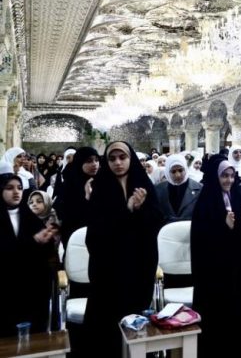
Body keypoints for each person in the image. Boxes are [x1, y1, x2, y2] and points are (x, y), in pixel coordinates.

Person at [84, 141, 163, 355]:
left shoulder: (144, 185)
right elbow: (96, 233)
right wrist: (126, 209)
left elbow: (156, 221)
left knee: (135, 320)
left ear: (131, 159)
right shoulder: (100, 189)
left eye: (122, 157)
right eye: (112, 159)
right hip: (109, 269)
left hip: (139, 264)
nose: (118, 163)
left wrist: (139, 210)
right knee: (107, 325)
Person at [192, 156, 241, 355]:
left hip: (236, 270)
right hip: (214, 273)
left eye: (231, 176)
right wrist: (223, 227)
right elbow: (202, 240)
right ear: (215, 177)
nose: (228, 180)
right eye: (224, 176)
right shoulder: (205, 203)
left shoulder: (237, 197)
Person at [0, 174, 58, 337]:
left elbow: (44, 254)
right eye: (9, 188)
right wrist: (33, 241)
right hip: (6, 289)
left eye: (19, 188)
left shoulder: (29, 217)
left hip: (31, 288)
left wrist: (46, 240)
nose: (16, 192)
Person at [55, 146, 100, 247]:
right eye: (89, 161)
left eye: (97, 160)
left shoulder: (101, 182)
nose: (94, 164)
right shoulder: (69, 184)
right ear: (80, 162)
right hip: (75, 238)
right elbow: (65, 213)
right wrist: (86, 198)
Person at [154, 154, 201, 223]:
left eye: (180, 170)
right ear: (167, 171)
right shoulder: (158, 190)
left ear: (185, 169)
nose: (177, 175)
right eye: (173, 171)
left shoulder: (199, 188)